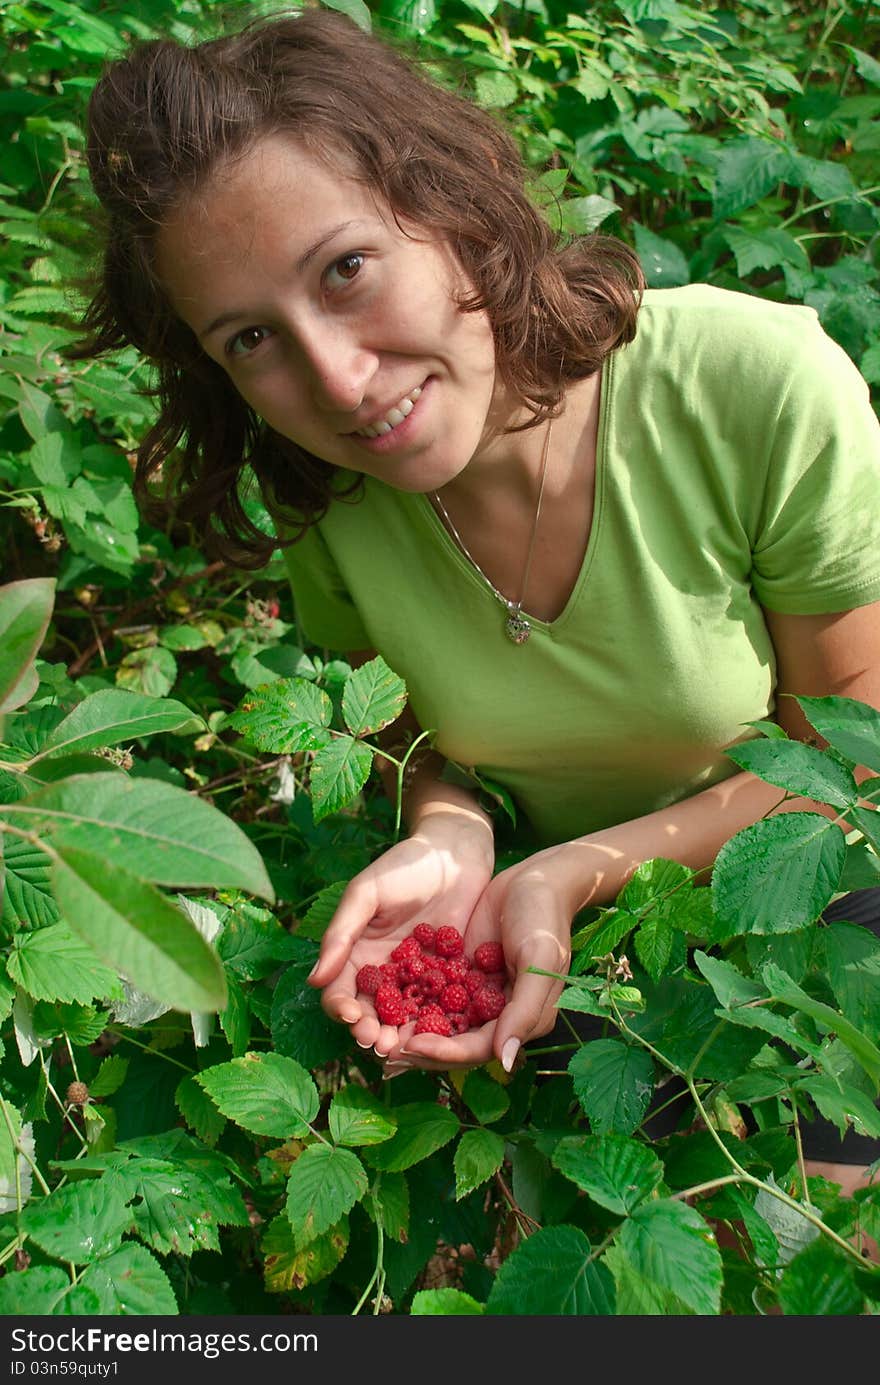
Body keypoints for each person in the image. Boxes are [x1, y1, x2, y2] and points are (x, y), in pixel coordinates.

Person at [75, 8, 880, 1181]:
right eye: (252, 338)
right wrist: (451, 835)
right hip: (554, 938)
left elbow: (853, 751)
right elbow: (421, 740)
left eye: (345, 269)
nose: (337, 381)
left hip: (817, 886)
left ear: (447, 203)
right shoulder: (331, 501)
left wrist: (568, 868)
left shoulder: (750, 384)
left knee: (821, 1231)